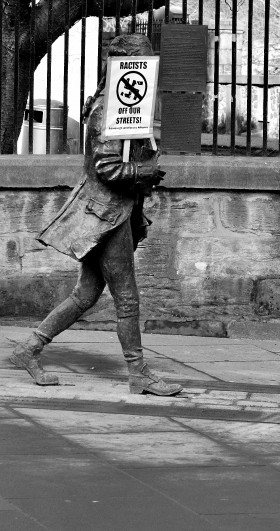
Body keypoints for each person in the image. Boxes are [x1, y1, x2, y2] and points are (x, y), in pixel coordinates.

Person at [10, 34, 182, 397]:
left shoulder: (123, 106)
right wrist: (142, 174)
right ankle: (139, 373)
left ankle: (30, 349)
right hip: (107, 215)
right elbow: (106, 167)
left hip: (113, 210)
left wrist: (142, 166)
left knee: (85, 295)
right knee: (127, 299)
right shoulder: (109, 107)